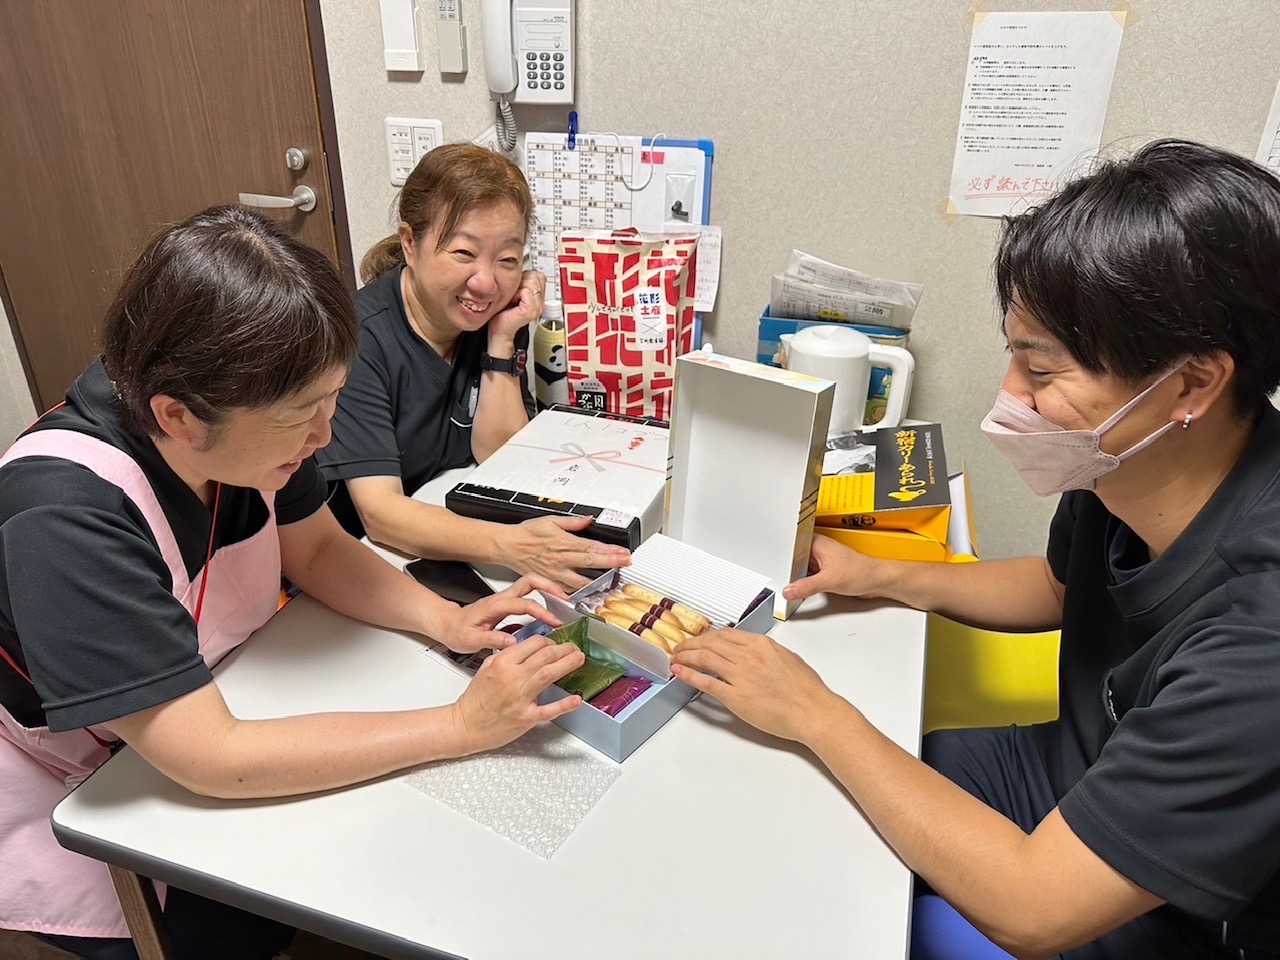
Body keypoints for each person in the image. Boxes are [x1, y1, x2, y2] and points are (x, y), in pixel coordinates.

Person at [670, 140, 1280, 960]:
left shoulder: (1262, 640)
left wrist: (813, 712)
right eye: (1014, 355)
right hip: (1063, 776)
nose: (1010, 400)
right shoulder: (1122, 458)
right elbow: (1064, 591)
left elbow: (1034, 907)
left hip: (1155, 905)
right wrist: (884, 574)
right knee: (799, 801)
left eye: (1041, 369)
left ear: (1191, 385)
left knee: (851, 911)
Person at [0, 206, 587, 960]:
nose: (323, 437)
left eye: (331, 401)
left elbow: (316, 550)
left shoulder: (245, 416)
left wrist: (443, 620)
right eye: (303, 417)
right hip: (83, 782)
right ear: (178, 417)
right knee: (231, 928)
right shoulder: (63, 518)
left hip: (207, 701)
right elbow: (212, 756)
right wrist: (460, 728)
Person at [317, 143, 629, 592]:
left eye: (507, 259)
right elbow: (380, 514)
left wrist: (502, 339)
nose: (485, 283)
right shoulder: (359, 339)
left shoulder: (496, 317)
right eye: (464, 253)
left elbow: (500, 456)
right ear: (410, 243)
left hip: (445, 540)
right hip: (360, 565)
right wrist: (513, 546)